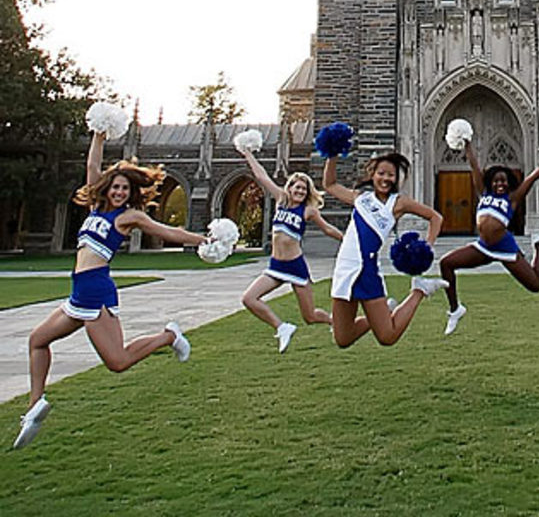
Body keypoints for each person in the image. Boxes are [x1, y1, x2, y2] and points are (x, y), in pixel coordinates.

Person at [14, 129, 211, 449]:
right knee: (37, 341)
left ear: (130, 193)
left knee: (117, 362)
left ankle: (169, 336)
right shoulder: (95, 207)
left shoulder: (128, 216)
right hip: (79, 292)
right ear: (108, 188)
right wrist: (99, 135)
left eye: (125, 188)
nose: (119, 192)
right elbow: (92, 167)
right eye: (116, 186)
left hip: (96, 292)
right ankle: (36, 405)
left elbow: (167, 231)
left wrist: (203, 239)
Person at [322, 149, 445, 348]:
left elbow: (435, 217)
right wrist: (333, 154)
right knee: (343, 338)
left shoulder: (398, 203)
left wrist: (426, 248)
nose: (386, 178)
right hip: (344, 268)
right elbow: (329, 185)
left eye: (391, 174)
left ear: (396, 178)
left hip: (367, 270)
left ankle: (419, 290)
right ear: (373, 174)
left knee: (387, 336)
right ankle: (383, 312)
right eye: (381, 173)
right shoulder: (361, 197)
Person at [439, 137, 539, 335]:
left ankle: (538, 246)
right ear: (490, 182)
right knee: (446, 263)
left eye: (503, 180)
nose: (500, 184)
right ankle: (455, 309)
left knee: (536, 285)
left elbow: (532, 178)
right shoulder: (483, 193)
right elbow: (474, 166)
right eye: (496, 180)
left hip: (505, 249)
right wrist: (467, 142)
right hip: (483, 247)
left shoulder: (511, 199)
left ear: (508, 182)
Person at [236, 145, 344, 352]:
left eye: (304, 189)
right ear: (290, 187)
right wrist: (248, 154)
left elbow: (328, 229)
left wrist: (346, 239)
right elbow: (262, 176)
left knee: (310, 316)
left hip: (295, 266)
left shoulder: (308, 211)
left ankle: (334, 322)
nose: (300, 191)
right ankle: (282, 327)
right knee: (248, 299)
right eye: (297, 187)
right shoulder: (281, 200)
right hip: (276, 265)